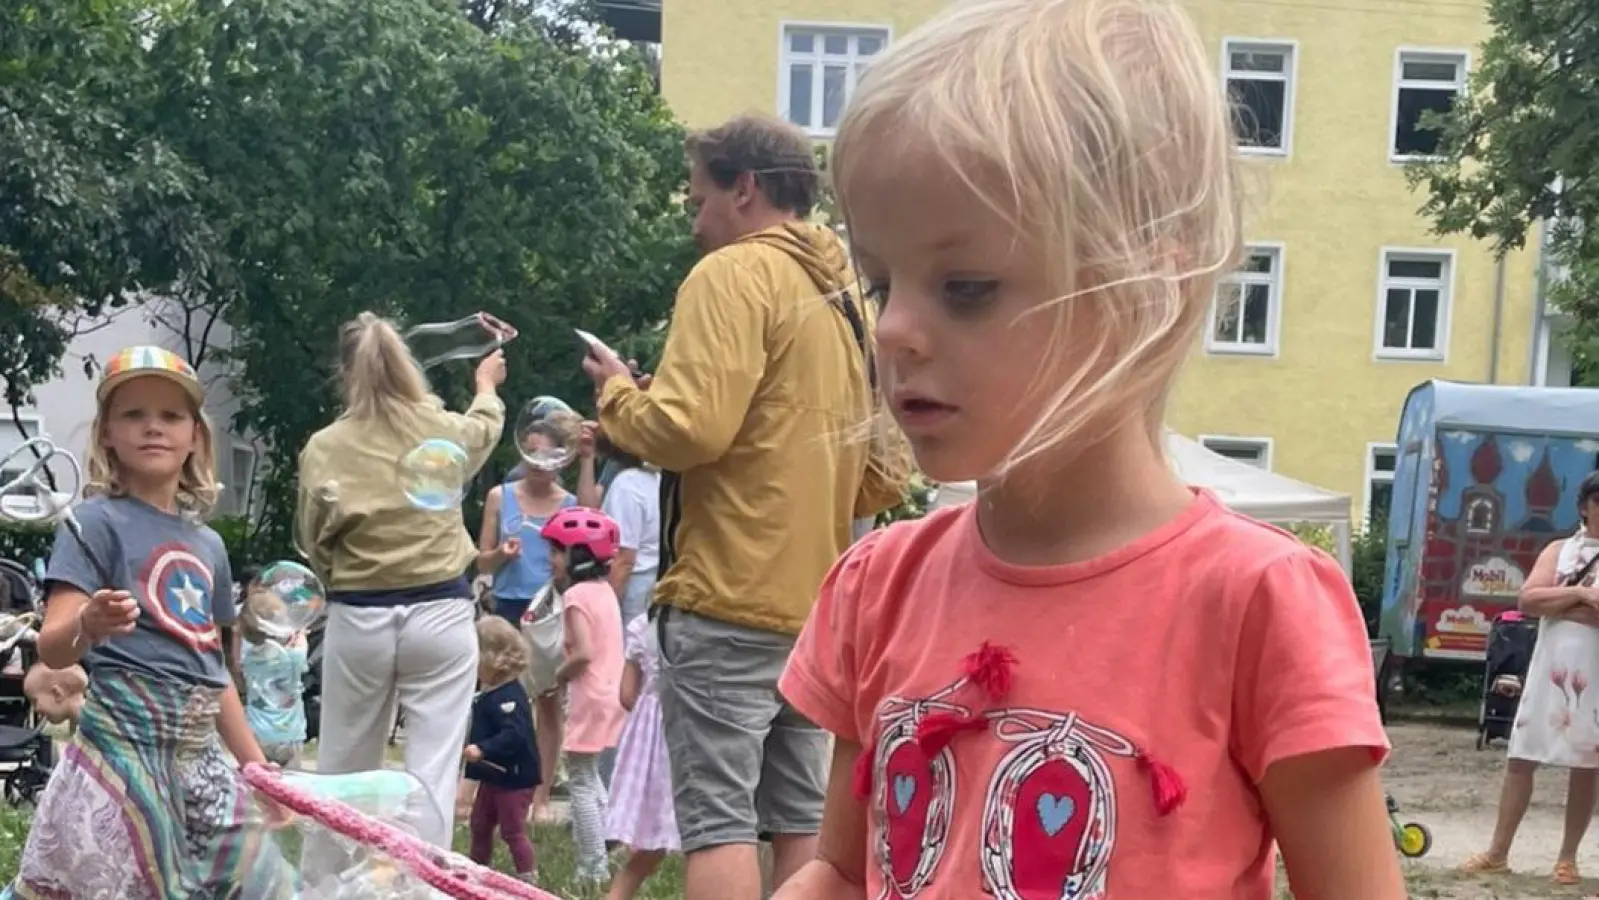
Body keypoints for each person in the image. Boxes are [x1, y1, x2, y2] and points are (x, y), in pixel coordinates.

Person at [771, 1, 1403, 897]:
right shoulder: (879, 587)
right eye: (879, 283)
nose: (896, 329)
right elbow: (840, 865)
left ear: (1147, 282)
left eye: (966, 287)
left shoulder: (1255, 604)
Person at [583, 113, 906, 900]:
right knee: (802, 822)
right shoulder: (844, 297)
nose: (695, 223)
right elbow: (882, 473)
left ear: (744, 188)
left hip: (725, 598)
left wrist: (619, 397)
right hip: (815, 611)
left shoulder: (731, 274)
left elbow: (690, 428)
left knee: (718, 823)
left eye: (698, 200)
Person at [2, 345, 291, 899]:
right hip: (123, 751)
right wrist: (89, 621)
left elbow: (214, 673)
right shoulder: (95, 523)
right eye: (133, 414)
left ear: (194, 438)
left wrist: (255, 770)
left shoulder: (208, 545)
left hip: (200, 757)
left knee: (256, 881)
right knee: (133, 883)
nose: (153, 427)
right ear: (106, 432)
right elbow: (57, 648)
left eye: (171, 416)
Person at [297, 312, 507, 848]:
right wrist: (486, 387)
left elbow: (314, 536)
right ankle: (423, 885)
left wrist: (342, 573)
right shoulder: (438, 427)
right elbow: (482, 430)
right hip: (440, 610)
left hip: (358, 614)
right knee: (432, 769)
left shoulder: (325, 445)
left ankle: (330, 886)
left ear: (346, 373)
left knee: (342, 765)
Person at [1463, 471, 1599, 885]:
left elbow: (1547, 603)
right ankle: (1498, 852)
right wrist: (1578, 595)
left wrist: (1556, 603)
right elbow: (1528, 599)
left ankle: (1567, 859)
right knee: (1522, 757)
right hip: (1550, 667)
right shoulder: (1559, 550)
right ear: (1584, 507)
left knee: (1587, 763)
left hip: (1593, 672)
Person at [479, 431, 579, 821]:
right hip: (508, 605)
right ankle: (494, 789)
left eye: (549, 458)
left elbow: (582, 554)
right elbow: (481, 562)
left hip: (548, 611)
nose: (540, 467)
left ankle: (539, 799)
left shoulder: (568, 504)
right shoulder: (500, 497)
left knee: (549, 701)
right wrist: (500, 555)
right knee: (498, 700)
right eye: (533, 457)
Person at [543, 507, 627, 884]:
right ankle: (608, 843)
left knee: (578, 778)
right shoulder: (605, 591)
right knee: (590, 775)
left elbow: (584, 653)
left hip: (590, 695)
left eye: (556, 551)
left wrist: (557, 677)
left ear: (579, 555)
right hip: (612, 693)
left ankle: (592, 866)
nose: (551, 560)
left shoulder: (576, 595)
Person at [604, 613, 679, 900]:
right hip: (689, 723)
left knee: (652, 831)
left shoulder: (642, 626)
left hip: (649, 737)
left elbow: (626, 693)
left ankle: (619, 893)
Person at [464, 616, 542, 883]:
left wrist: (484, 749)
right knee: (480, 823)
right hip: (494, 775)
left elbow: (514, 735)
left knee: (512, 829)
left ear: (492, 657)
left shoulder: (510, 697)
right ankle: (476, 868)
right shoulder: (490, 693)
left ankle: (528, 876)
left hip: (515, 778)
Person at [237, 583, 311, 768]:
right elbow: (300, 642)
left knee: (258, 781)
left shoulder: (248, 659)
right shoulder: (294, 657)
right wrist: (299, 631)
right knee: (291, 787)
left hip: (256, 731)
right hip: (290, 734)